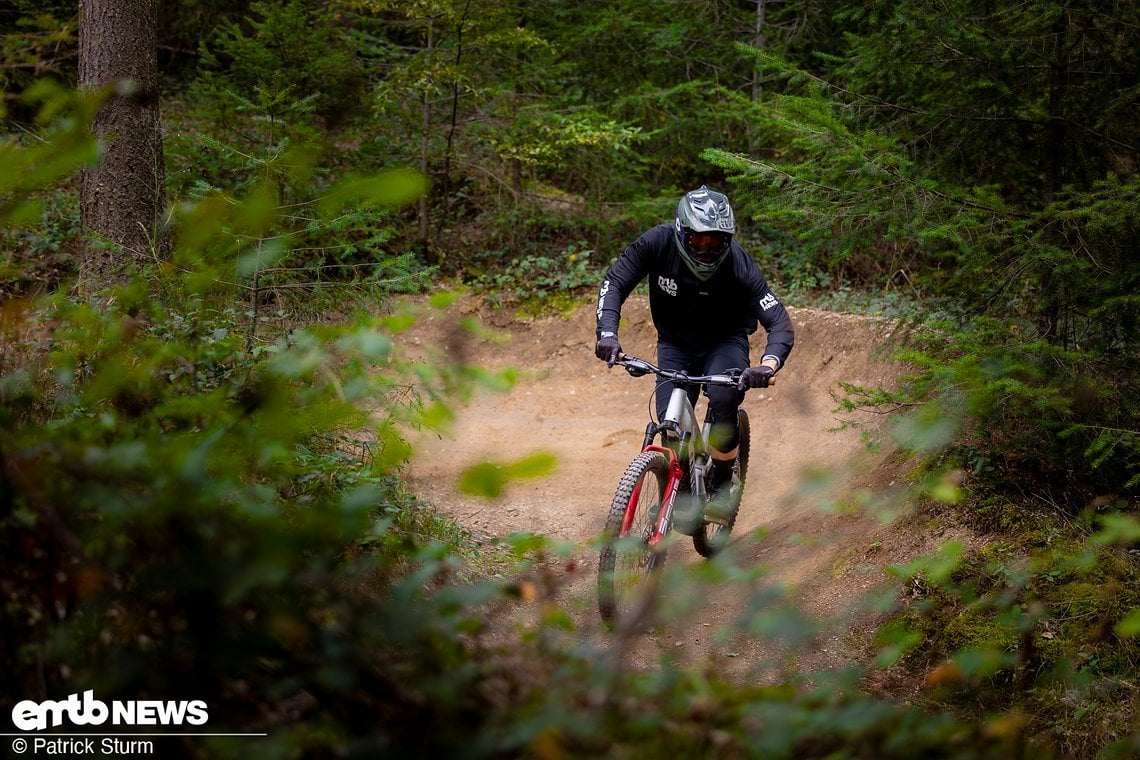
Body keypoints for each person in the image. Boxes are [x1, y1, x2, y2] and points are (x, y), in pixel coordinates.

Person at [594, 185, 794, 524]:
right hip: (675, 343)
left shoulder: (738, 263)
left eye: (716, 240)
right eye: (699, 239)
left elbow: (779, 322)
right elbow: (614, 283)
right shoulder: (656, 243)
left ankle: (720, 487)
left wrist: (767, 364)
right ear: (681, 231)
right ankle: (681, 499)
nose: (707, 247)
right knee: (669, 422)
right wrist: (608, 335)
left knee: (723, 395)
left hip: (725, 343)